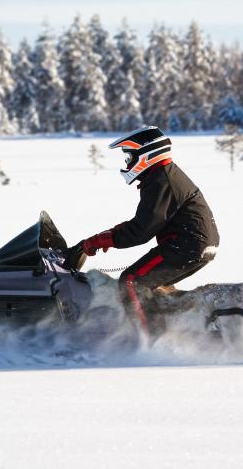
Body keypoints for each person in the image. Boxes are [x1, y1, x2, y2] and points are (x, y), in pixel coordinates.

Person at [62, 126, 220, 332]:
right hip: (193, 243)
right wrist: (106, 236)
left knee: (131, 282)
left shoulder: (161, 179)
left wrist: (103, 240)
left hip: (186, 245)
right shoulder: (162, 175)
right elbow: (146, 222)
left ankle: (149, 339)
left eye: (129, 157)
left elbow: (142, 230)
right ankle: (175, 329)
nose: (127, 163)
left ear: (146, 154)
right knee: (154, 286)